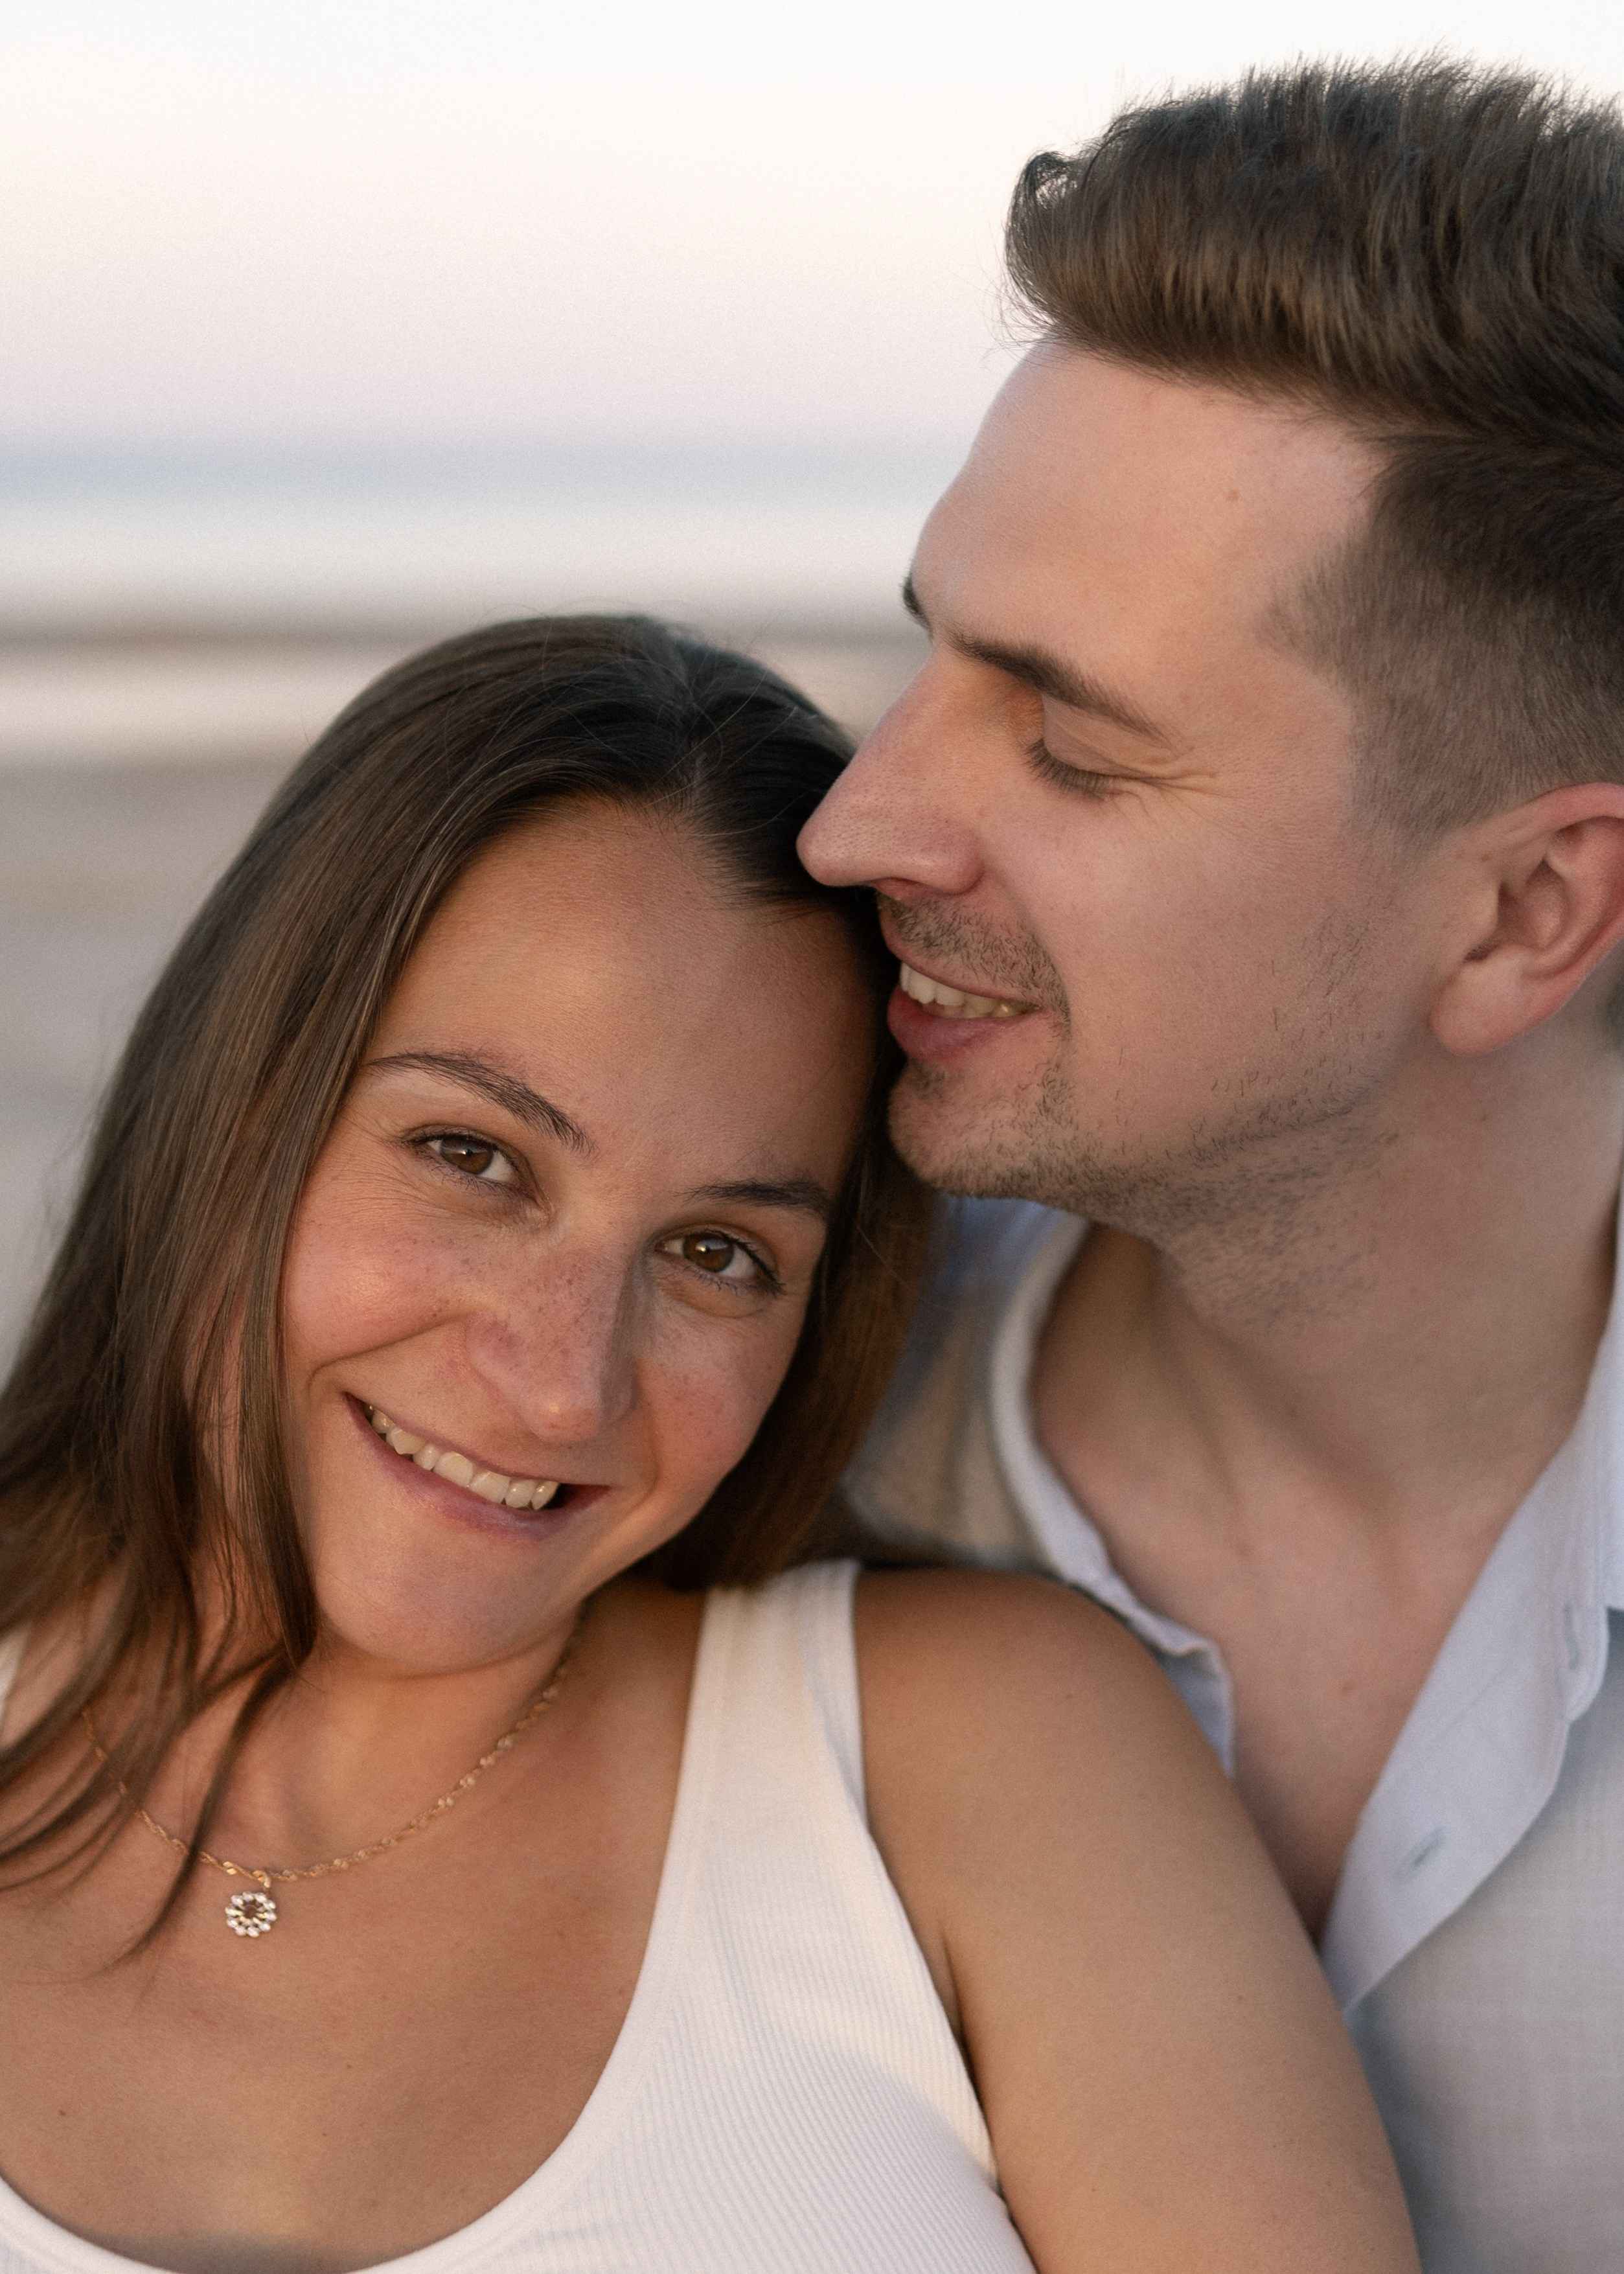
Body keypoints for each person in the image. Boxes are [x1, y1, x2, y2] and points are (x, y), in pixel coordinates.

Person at [0, 617, 1413, 2274]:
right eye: (474, 1157)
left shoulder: (968, 1762)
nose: (562, 1389)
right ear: (236, 1104)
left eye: (717, 1254)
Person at [799, 56, 1624, 2274]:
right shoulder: (734, 1447)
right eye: (926, 657)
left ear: (1519, 914)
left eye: (1066, 744)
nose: (855, 824)